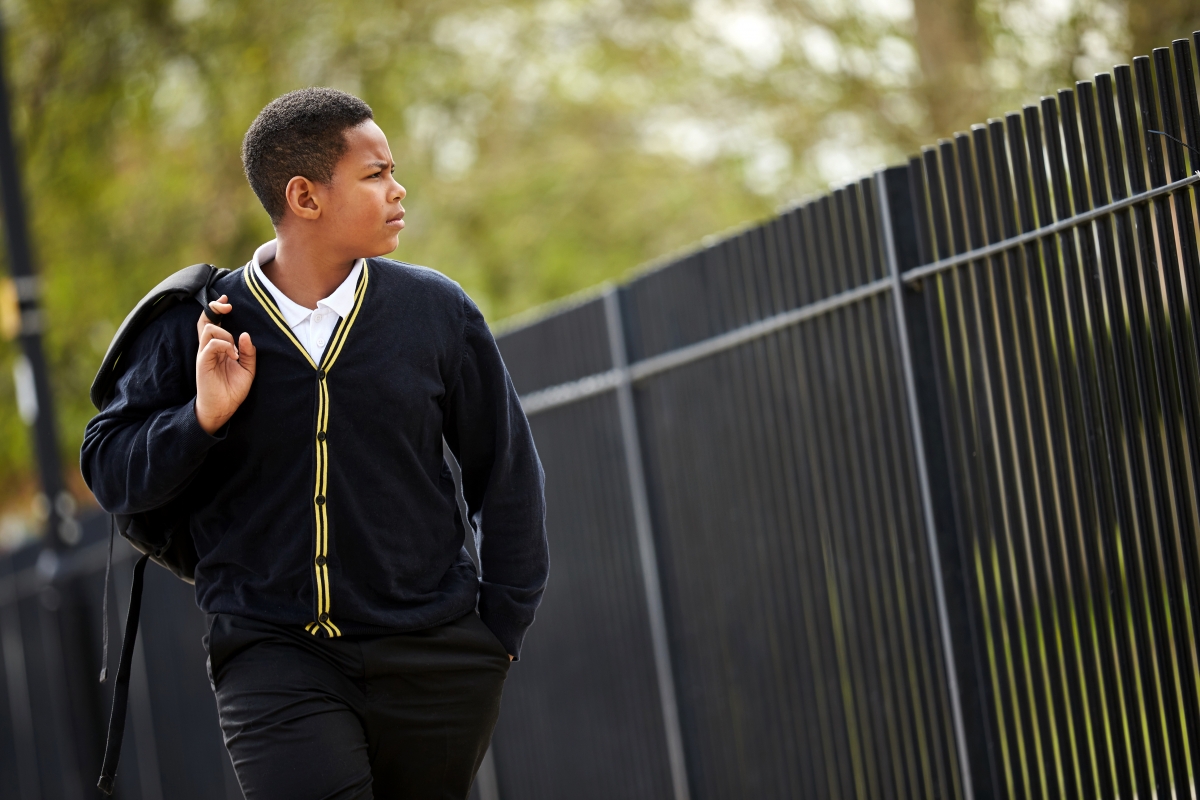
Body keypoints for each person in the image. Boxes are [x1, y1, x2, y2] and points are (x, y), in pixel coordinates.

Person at [80, 87, 549, 800]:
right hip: (272, 654)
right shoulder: (198, 324)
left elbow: (508, 472)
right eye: (375, 175)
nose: (397, 191)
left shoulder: (437, 312)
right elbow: (111, 473)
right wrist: (200, 418)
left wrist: (499, 633)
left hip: (436, 659)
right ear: (304, 197)